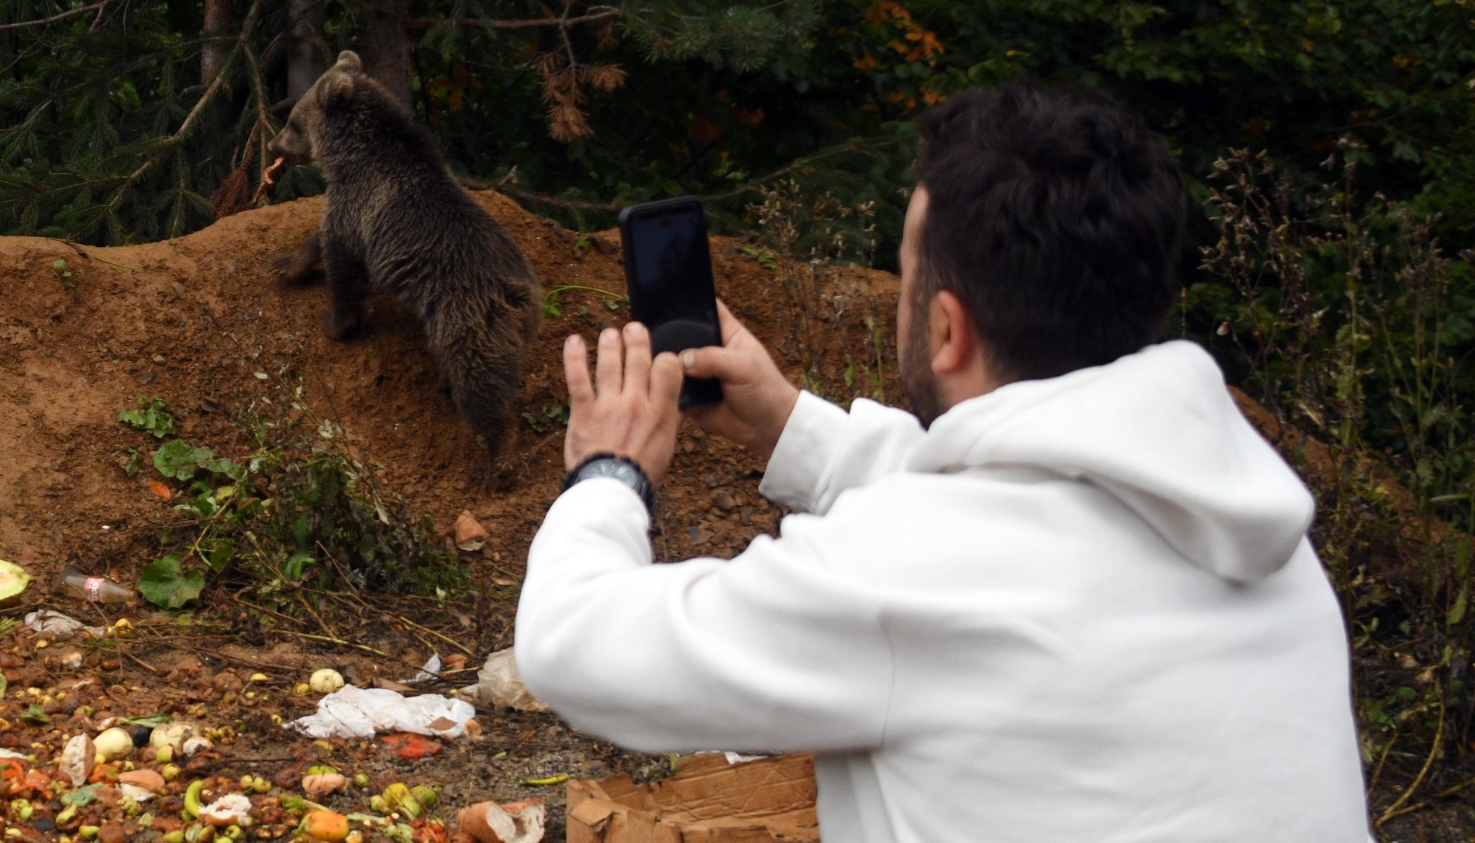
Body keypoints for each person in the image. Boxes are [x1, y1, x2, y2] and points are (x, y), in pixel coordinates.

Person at [514, 83, 1373, 842]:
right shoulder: (1257, 530)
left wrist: (609, 472)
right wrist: (788, 428)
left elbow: (573, 645)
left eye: (906, 275)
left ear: (947, 329)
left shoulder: (907, 573)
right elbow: (1022, 518)